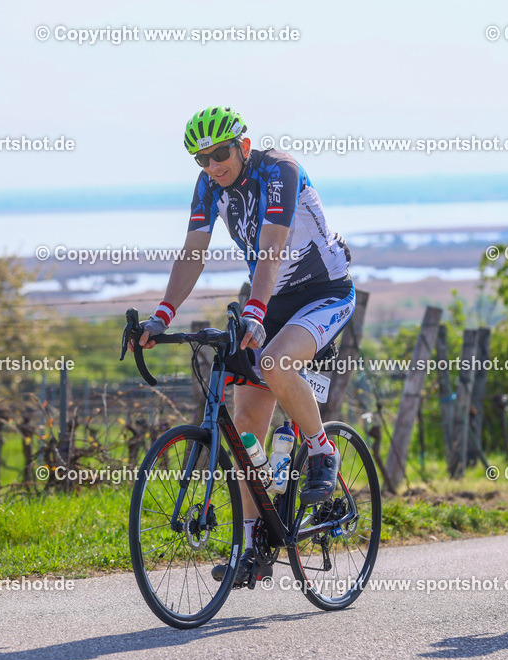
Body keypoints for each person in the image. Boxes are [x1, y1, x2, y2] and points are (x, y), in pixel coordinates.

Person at [131, 107, 355, 586]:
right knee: (245, 428)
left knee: (274, 361)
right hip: (268, 300)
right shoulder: (210, 185)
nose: (212, 165)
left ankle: (321, 447)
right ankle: (255, 548)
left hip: (323, 292)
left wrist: (253, 310)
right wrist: (162, 315)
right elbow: (193, 252)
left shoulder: (280, 170)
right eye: (202, 159)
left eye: (219, 153)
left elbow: (272, 248)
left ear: (242, 147)